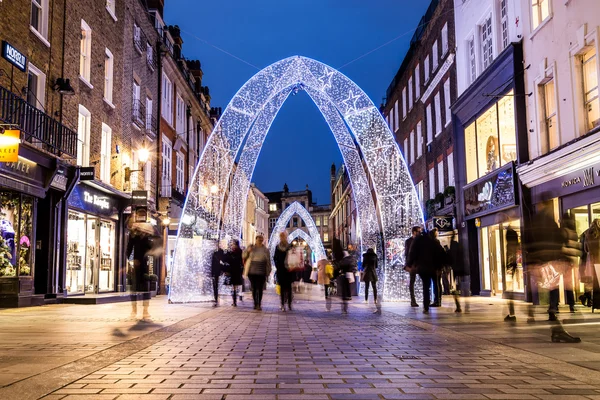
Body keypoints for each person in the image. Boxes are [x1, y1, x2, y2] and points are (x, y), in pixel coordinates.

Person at [526, 201, 580, 343]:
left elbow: (528, 240)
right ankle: (555, 319)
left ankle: (541, 314)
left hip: (540, 260)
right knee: (553, 288)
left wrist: (531, 260)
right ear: (546, 205)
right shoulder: (550, 222)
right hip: (549, 260)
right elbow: (558, 240)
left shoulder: (534, 222)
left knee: (544, 288)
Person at [407, 229, 447, 314]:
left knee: (426, 286)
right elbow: (441, 254)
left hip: (423, 267)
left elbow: (412, 253)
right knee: (435, 283)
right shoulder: (434, 242)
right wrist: (441, 266)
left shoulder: (418, 242)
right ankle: (437, 301)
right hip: (433, 267)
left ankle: (426, 306)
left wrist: (409, 264)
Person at [244, 235, 271, 311]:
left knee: (260, 288)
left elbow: (268, 261)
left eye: (261, 240)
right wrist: (248, 251)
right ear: (256, 240)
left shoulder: (265, 250)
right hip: (252, 271)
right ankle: (255, 303)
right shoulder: (251, 248)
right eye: (259, 240)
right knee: (254, 288)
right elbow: (243, 256)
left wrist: (268, 271)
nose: (260, 241)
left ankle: (259, 303)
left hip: (262, 271)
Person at [448, 233, 469, 313]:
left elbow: (450, 259)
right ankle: (466, 305)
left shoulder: (452, 248)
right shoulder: (463, 247)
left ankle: (458, 306)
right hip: (464, 269)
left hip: (456, 270)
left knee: (455, 288)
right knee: (464, 287)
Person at [274, 232, 294, 311]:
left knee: (289, 288)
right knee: (282, 288)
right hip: (281, 270)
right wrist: (278, 266)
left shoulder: (290, 246)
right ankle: (282, 303)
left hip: (289, 270)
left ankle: (289, 303)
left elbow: (294, 256)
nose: (282, 238)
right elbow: (275, 258)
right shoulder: (277, 247)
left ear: (286, 237)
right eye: (281, 236)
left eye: (284, 236)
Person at [404, 226, 421, 307]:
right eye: (418, 231)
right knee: (412, 282)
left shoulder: (422, 240)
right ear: (414, 232)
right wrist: (408, 265)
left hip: (421, 264)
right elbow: (407, 254)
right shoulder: (408, 241)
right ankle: (413, 300)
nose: (420, 232)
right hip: (413, 264)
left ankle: (426, 299)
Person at [224, 239, 244, 307]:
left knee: (234, 286)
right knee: (232, 286)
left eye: (233, 244)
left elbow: (240, 261)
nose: (232, 245)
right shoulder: (230, 252)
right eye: (231, 244)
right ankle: (234, 300)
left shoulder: (239, 252)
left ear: (236, 245)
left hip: (236, 270)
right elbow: (226, 260)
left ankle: (235, 301)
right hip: (231, 271)